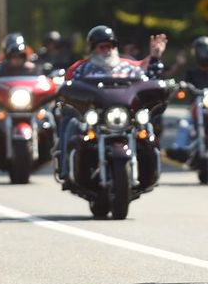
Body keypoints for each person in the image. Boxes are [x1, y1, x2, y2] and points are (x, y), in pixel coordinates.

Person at [57, 25, 167, 180]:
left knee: (147, 126)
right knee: (71, 123)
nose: (106, 50)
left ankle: (151, 172)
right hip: (95, 117)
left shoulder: (128, 68)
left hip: (124, 117)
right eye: (102, 47)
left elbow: (147, 80)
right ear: (93, 49)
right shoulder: (82, 69)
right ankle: (66, 169)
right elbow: (71, 91)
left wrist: (155, 57)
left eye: (110, 46)